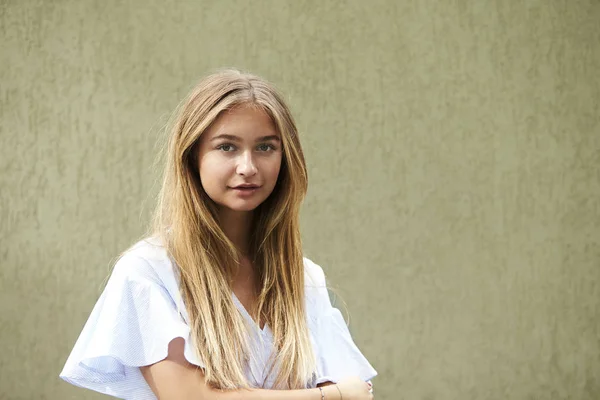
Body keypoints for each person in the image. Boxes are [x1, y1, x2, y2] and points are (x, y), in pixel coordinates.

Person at [60, 69, 377, 399]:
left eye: (266, 147)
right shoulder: (149, 273)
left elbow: (360, 391)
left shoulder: (303, 278)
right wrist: (333, 396)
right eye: (227, 147)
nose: (248, 167)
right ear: (192, 155)